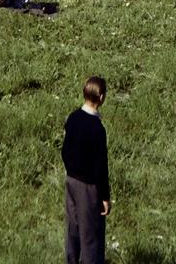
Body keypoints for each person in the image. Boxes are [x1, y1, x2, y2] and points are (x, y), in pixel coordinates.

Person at [61, 76, 111, 264]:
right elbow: (101, 166)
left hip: (71, 181)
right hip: (89, 188)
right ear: (101, 97)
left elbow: (64, 151)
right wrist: (105, 196)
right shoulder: (97, 128)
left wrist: (71, 169)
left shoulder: (73, 118)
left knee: (73, 230)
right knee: (91, 236)